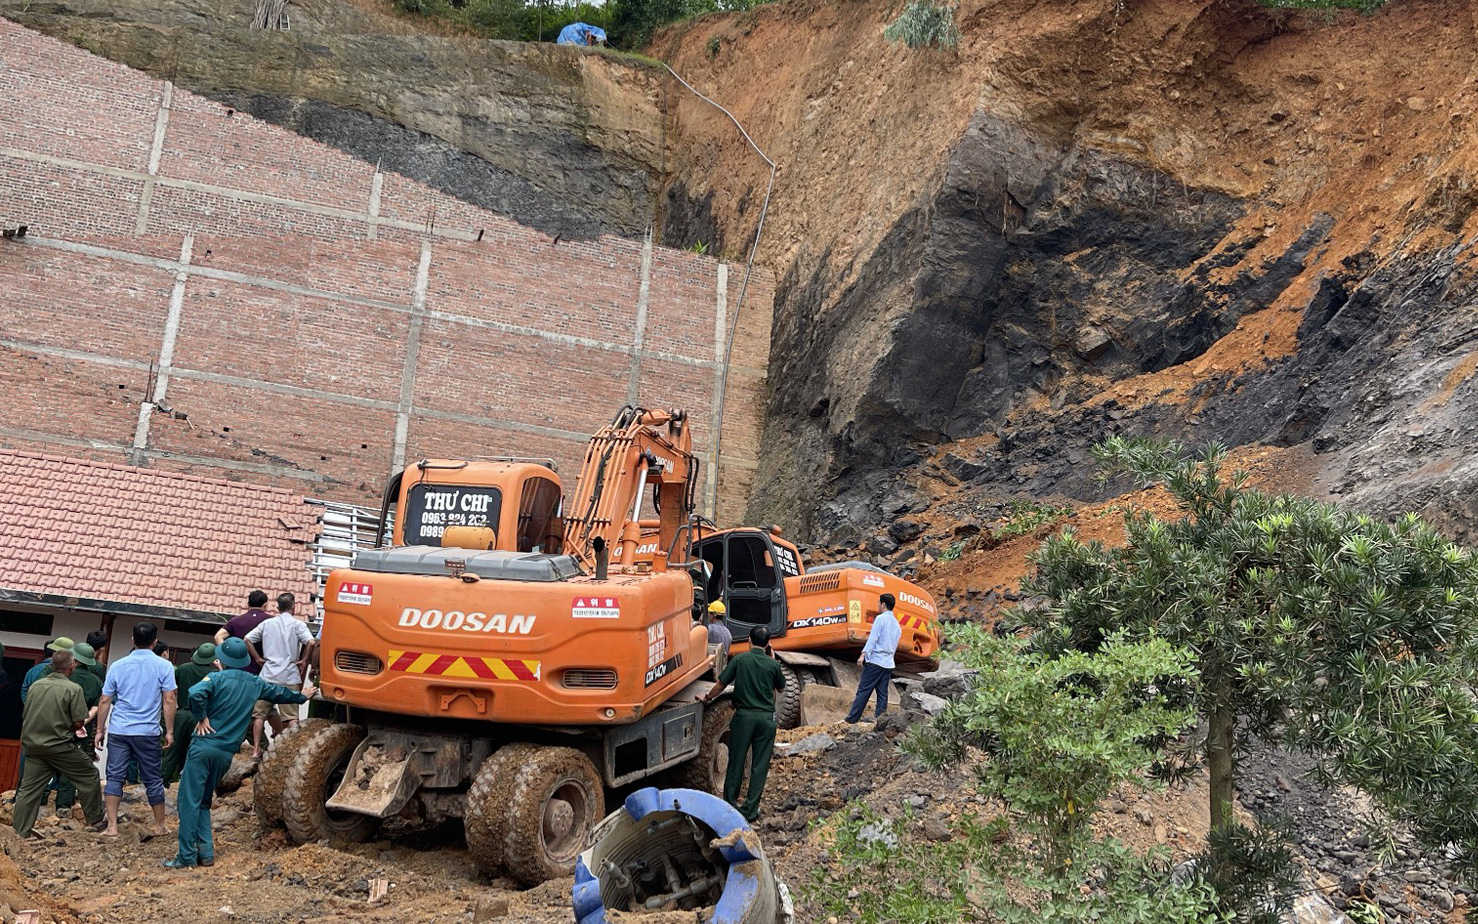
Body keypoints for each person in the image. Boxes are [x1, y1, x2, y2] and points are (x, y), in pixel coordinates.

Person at [166, 638, 315, 869]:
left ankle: (185, 856)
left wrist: (201, 717)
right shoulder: (255, 683)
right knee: (204, 802)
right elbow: (280, 693)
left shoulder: (215, 678)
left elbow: (195, 693)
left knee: (188, 802)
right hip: (226, 754)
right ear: (244, 660)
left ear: (222, 659)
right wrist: (302, 695)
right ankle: (206, 853)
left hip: (204, 746)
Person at [95, 622, 177, 838]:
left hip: (120, 729)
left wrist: (99, 729)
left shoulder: (118, 666)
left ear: (132, 640)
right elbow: (169, 700)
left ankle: (112, 826)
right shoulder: (164, 666)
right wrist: (169, 730)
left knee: (114, 776)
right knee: (153, 778)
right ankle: (160, 825)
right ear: (155, 642)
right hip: (148, 731)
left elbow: (105, 700)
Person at [13, 650, 106, 838]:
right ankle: (95, 820)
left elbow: (26, 712)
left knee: (28, 790)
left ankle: (20, 831)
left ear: (52, 665)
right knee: (89, 774)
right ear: (71, 666)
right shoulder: (73, 689)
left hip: (34, 745)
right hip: (60, 745)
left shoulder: (36, 686)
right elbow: (79, 721)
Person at [697, 626, 785, 823]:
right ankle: (750, 811)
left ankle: (730, 806)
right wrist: (772, 659)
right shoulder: (773, 666)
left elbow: (721, 684)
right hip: (766, 719)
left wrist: (707, 697)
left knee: (736, 761)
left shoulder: (739, 660)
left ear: (749, 641)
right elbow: (781, 687)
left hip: (744, 717)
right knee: (759, 766)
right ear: (768, 644)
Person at [244, 592, 316, 758]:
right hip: (289, 674)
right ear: (294, 607)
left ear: (277, 607)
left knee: (259, 714)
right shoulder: (298, 625)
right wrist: (304, 660)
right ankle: (289, 751)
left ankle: (256, 750)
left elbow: (247, 639)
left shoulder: (268, 623)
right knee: (291, 716)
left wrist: (258, 658)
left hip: (268, 674)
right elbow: (311, 642)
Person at [53, 642, 103, 819]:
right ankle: (64, 804)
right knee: (73, 765)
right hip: (82, 726)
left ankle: (43, 797)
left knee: (47, 760)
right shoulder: (95, 681)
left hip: (57, 723)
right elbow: (97, 706)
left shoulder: (63, 676)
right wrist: (82, 722)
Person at [162, 644, 218, 786]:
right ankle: (186, 782)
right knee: (194, 751)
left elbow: (171, 687)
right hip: (201, 718)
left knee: (172, 750)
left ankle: (162, 780)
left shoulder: (183, 668)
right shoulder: (213, 674)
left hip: (181, 714)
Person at [845, 593, 901, 724]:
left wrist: (863, 654)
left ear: (883, 605)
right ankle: (880, 720)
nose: (877, 605)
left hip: (876, 661)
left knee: (864, 691)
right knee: (882, 693)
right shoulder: (897, 625)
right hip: (888, 663)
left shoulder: (880, 619)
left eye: (878, 603)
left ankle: (852, 719)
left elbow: (873, 638)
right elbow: (895, 644)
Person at [215, 591, 272, 675]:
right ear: (265, 605)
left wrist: (228, 655)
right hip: (260, 670)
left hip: (236, 669)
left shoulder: (236, 620)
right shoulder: (272, 621)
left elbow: (218, 636)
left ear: (247, 604)